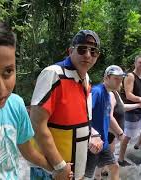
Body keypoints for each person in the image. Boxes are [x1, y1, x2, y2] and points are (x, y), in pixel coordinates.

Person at [0, 14, 55, 179]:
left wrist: (54, 168)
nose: (1, 89)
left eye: (8, 71)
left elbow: (27, 150)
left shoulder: (15, 104)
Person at [30, 30, 104, 179]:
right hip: (51, 171)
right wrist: (59, 166)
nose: (88, 55)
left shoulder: (86, 80)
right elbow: (36, 125)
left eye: (93, 51)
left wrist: (93, 135)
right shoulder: (53, 74)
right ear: (71, 51)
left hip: (76, 169)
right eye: (82, 49)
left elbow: (82, 120)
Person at [85, 65, 129, 180]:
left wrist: (119, 133)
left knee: (114, 167)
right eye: (116, 78)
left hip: (103, 143)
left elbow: (107, 118)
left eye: (121, 79)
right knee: (85, 176)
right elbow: (83, 114)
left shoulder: (108, 95)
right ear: (107, 78)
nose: (120, 82)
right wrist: (92, 134)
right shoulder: (97, 92)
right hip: (92, 144)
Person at [118, 55, 141, 167]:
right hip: (131, 109)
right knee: (127, 136)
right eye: (139, 62)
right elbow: (128, 94)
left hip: (140, 109)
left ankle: (138, 144)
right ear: (135, 63)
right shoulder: (130, 76)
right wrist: (140, 99)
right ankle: (120, 159)